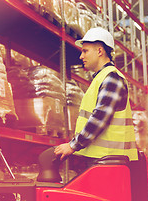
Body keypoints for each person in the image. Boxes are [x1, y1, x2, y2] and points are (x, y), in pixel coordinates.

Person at [54, 27, 138, 170]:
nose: (81, 56)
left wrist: (73, 145)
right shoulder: (102, 78)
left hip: (110, 161)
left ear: (100, 51)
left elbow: (100, 117)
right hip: (104, 160)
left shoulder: (112, 78)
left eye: (85, 51)